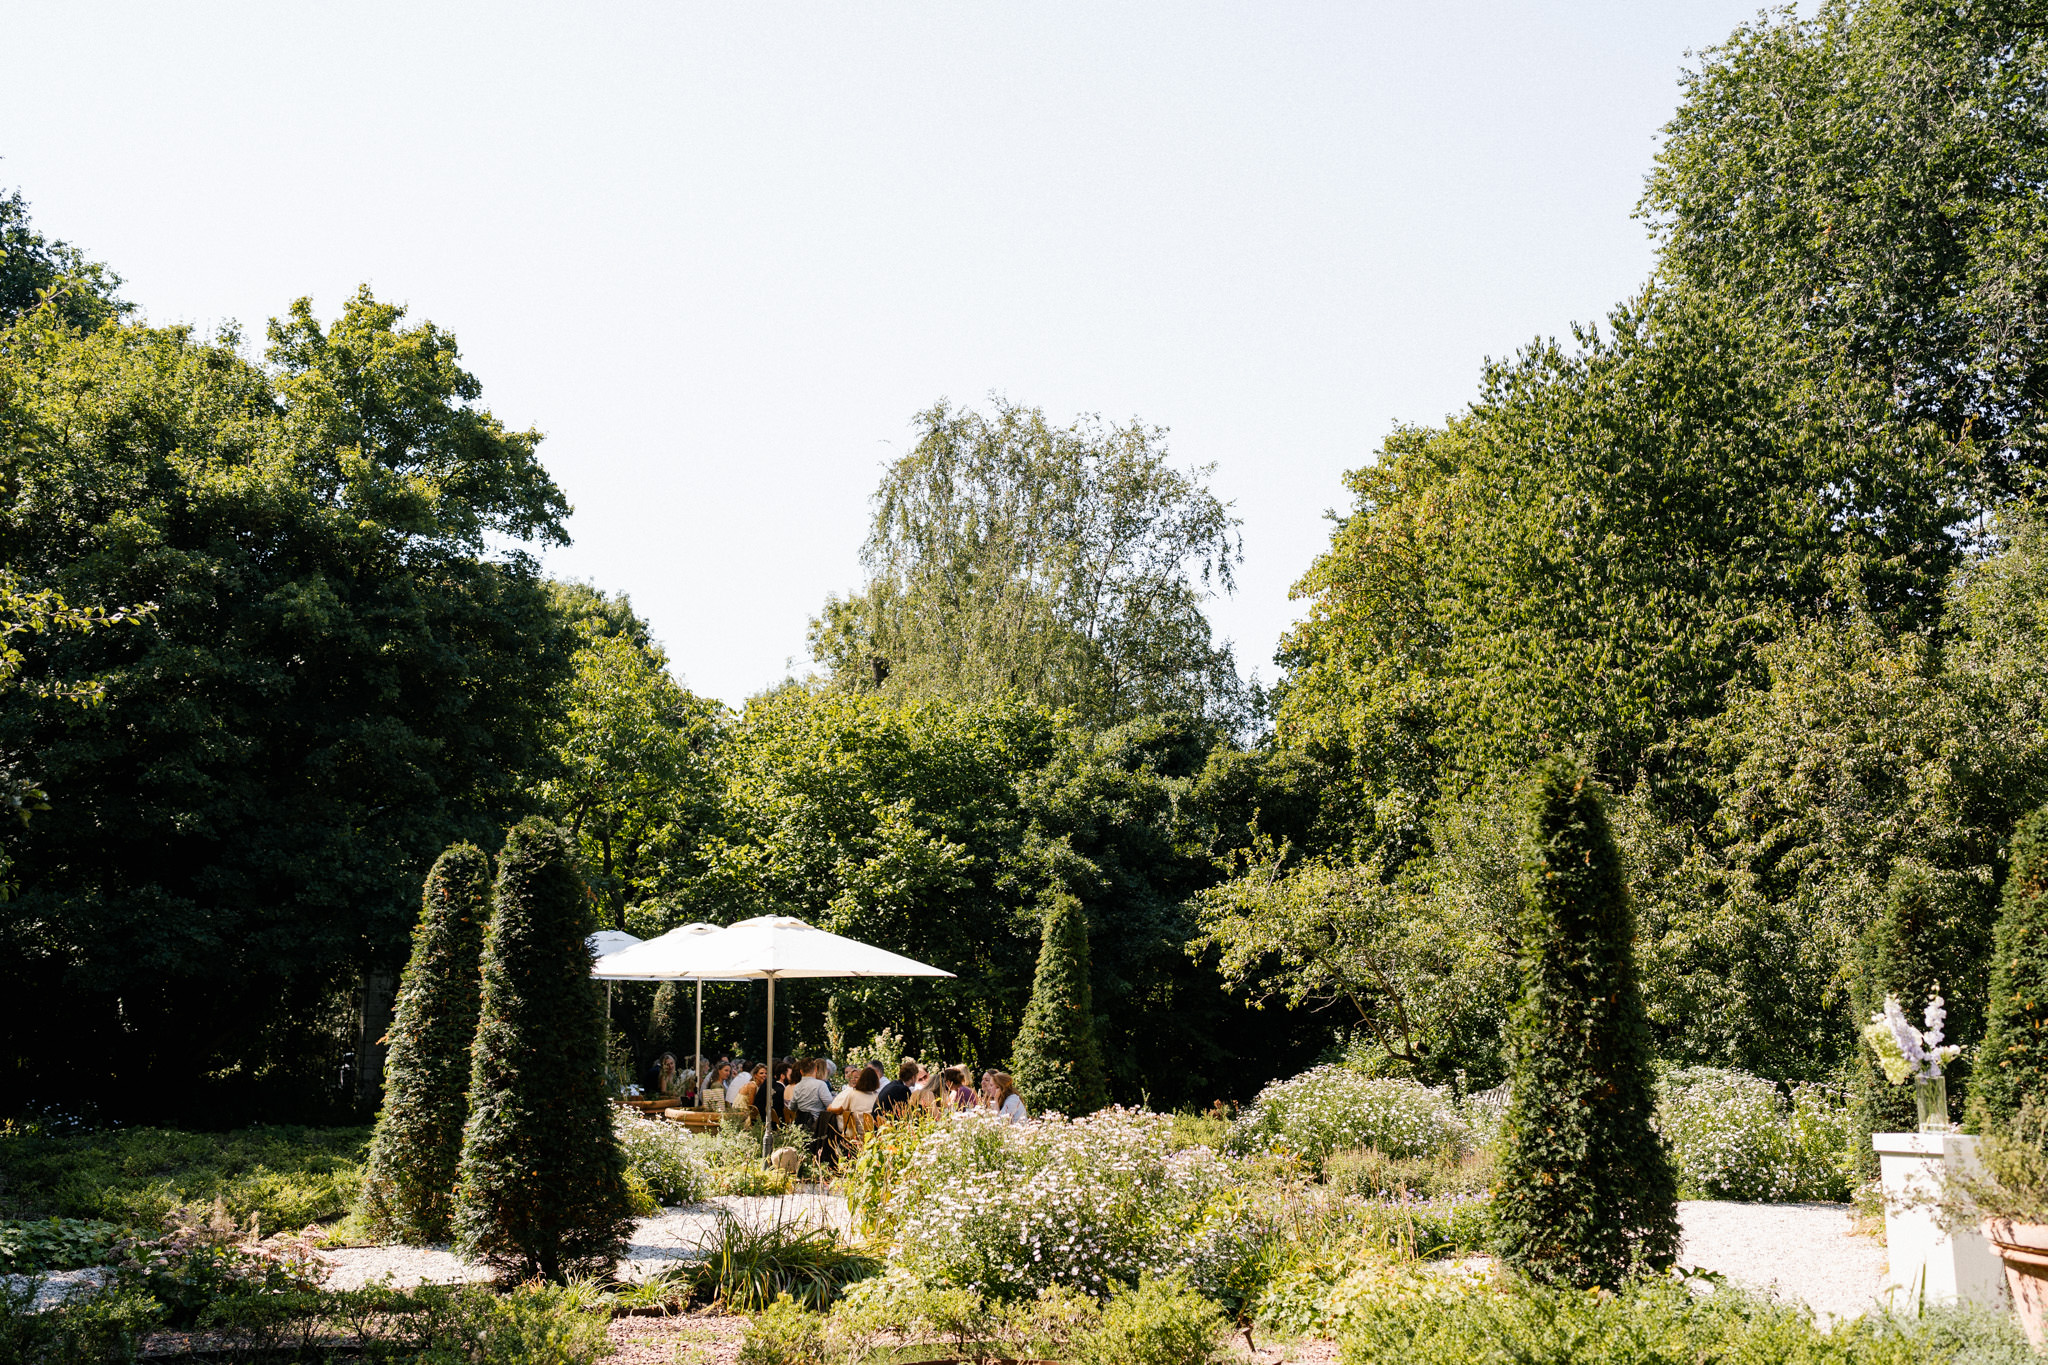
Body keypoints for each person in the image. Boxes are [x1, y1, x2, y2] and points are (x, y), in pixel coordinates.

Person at [788, 1057, 833, 1131]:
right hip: (817, 1126)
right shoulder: (820, 1085)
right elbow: (830, 1105)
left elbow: (792, 1107)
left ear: (801, 1072)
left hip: (801, 1125)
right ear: (815, 1069)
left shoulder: (797, 1087)